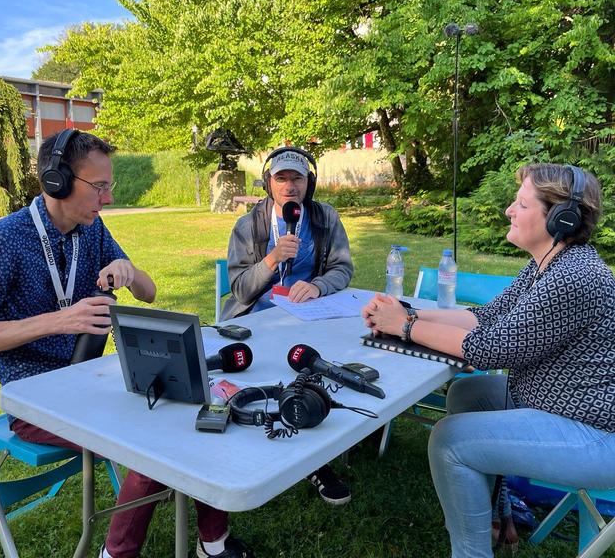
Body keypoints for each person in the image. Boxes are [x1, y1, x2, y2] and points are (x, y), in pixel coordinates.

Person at [0, 129, 254, 558]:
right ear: (57, 181)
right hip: (33, 398)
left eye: (110, 187)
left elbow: (149, 292)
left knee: (199, 406)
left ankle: (212, 542)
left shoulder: (93, 228)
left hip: (93, 380)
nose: (107, 199)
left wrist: (130, 270)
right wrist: (57, 321)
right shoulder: (4, 240)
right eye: (99, 187)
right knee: (151, 444)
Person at [362, 163, 615, 558]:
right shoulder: (547, 264)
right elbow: (484, 316)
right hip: (551, 404)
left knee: (449, 441)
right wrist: (405, 313)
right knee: (470, 393)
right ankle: (497, 514)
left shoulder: (575, 277)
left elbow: (490, 347)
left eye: (521, 203)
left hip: (597, 434)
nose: (509, 211)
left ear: (561, 219)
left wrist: (407, 327)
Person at [222, 147, 354, 505]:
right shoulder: (249, 226)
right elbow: (240, 289)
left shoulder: (325, 218)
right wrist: (272, 258)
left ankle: (314, 453)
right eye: (282, 178)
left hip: (305, 322)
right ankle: (292, 451)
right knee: (262, 376)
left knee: (317, 371)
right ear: (269, 183)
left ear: (309, 183)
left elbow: (343, 268)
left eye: (297, 178)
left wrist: (318, 285)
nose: (290, 186)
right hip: (253, 322)